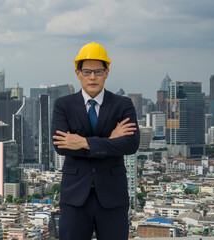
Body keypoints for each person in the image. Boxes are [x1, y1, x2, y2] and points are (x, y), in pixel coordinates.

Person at [51, 42, 140, 240]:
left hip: (112, 196)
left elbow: (131, 144)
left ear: (107, 73)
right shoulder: (63, 105)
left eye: (98, 71)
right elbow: (61, 146)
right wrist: (110, 141)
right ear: (77, 73)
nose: (92, 77)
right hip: (75, 196)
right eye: (87, 71)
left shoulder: (122, 104)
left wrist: (83, 143)